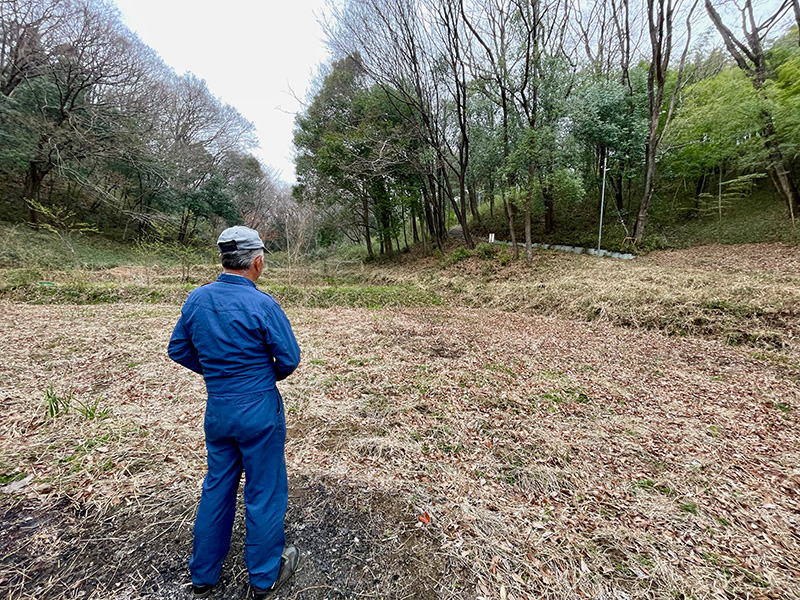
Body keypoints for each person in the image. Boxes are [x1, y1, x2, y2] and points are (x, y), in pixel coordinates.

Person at [168, 226, 301, 599]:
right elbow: (289, 358)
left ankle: (203, 576)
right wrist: (260, 377)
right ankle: (264, 576)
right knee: (264, 489)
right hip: (258, 407)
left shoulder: (197, 299)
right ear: (257, 261)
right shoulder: (263, 304)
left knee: (217, 486)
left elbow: (178, 348)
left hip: (219, 407)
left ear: (224, 259)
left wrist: (217, 373)